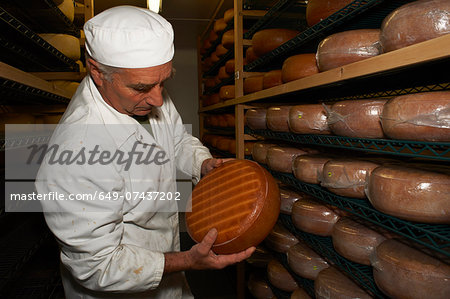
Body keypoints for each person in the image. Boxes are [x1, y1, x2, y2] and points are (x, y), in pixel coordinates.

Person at [35, 6, 255, 299]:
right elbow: (98, 265)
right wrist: (188, 260)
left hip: (167, 271)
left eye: (164, 81)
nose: (158, 99)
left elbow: (175, 140)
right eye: (142, 88)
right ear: (97, 71)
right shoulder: (78, 152)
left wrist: (202, 163)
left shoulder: (145, 92)